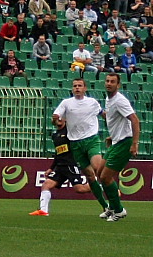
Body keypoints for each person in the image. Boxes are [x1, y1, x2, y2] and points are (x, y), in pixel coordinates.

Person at [52, 79, 109, 215]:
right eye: (75, 86)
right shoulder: (66, 103)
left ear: (85, 88)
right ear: (72, 89)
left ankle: (113, 199)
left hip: (91, 140)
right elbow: (56, 118)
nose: (77, 88)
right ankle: (105, 206)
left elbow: (103, 114)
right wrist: (55, 119)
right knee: (89, 176)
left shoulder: (92, 102)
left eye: (80, 86)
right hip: (76, 143)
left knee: (98, 169)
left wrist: (113, 126)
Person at [99, 73, 140, 221]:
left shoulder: (120, 101)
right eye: (107, 81)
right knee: (99, 171)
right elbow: (114, 119)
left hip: (125, 142)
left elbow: (135, 120)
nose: (109, 83)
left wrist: (135, 144)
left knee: (105, 176)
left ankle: (119, 210)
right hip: (116, 141)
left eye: (113, 82)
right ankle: (112, 205)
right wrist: (113, 135)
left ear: (118, 85)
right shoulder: (108, 99)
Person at [29, 118, 91, 216]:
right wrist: (51, 168)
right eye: (57, 118)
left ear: (66, 120)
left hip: (70, 165)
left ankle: (105, 188)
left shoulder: (70, 133)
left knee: (80, 189)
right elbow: (58, 153)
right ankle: (43, 211)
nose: (59, 119)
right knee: (46, 185)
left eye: (61, 117)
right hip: (60, 166)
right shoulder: (55, 135)